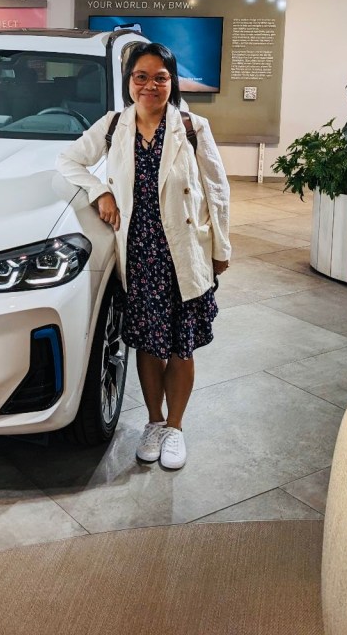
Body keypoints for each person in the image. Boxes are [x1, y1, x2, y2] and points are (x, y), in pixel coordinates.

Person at [56, 42, 231, 469]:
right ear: (129, 81)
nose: (150, 86)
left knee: (181, 348)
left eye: (160, 78)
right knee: (149, 348)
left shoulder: (192, 127)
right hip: (138, 256)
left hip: (183, 254)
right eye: (141, 77)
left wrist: (221, 248)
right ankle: (154, 422)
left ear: (172, 82)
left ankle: (175, 427)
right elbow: (69, 161)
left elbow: (217, 189)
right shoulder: (114, 125)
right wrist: (99, 191)